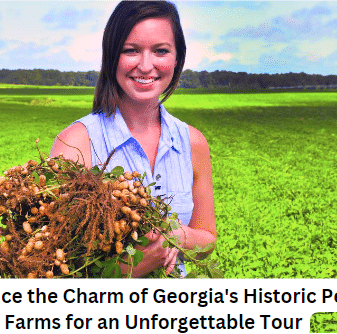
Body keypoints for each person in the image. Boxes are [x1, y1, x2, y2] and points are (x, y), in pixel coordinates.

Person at [49, 1, 216, 277]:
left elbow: (207, 237)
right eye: (131, 50)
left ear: (177, 59)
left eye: (161, 51)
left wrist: (177, 236)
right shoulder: (76, 142)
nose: (146, 65)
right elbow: (54, 267)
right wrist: (134, 267)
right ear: (112, 56)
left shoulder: (192, 143)